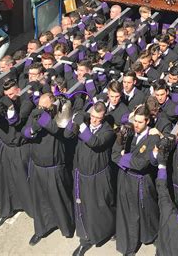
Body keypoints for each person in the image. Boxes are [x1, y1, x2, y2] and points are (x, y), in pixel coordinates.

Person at [22, 92, 75, 245]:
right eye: (39, 106)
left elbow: (60, 131)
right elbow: (25, 132)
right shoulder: (36, 114)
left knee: (60, 199)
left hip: (54, 168)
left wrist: (44, 119)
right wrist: (33, 129)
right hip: (38, 167)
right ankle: (41, 229)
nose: (40, 109)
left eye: (44, 107)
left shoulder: (60, 115)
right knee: (40, 201)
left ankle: (66, 227)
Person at [69, 101, 117, 256]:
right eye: (93, 117)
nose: (94, 120)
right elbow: (67, 134)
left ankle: (109, 229)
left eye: (98, 118)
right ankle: (85, 239)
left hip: (99, 177)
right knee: (84, 208)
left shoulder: (108, 131)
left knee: (101, 206)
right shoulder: (85, 123)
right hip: (82, 175)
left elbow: (95, 142)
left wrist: (82, 125)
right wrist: (76, 118)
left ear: (103, 117)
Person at [112, 105, 161, 256]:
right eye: (135, 121)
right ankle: (128, 240)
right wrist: (125, 157)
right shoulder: (129, 132)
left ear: (147, 121)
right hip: (125, 178)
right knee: (126, 212)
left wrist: (123, 158)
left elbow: (142, 164)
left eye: (140, 122)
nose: (137, 125)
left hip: (141, 181)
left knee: (142, 212)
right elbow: (114, 154)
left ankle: (139, 241)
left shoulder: (153, 137)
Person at [0, 78, 34, 228]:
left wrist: (10, 108)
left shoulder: (26, 102)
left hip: (19, 149)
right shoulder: (4, 101)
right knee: (4, 180)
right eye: (6, 94)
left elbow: (16, 121)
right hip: (4, 147)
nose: (9, 97)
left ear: (17, 91)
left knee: (24, 181)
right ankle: (5, 211)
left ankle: (33, 211)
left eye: (11, 94)